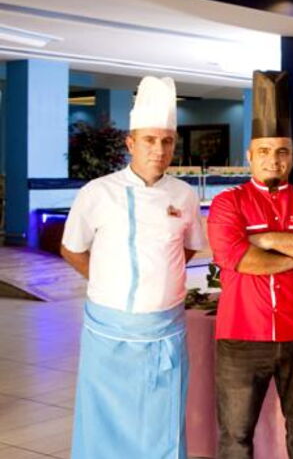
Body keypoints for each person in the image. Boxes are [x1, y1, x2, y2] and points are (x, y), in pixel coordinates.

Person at [60, 76, 207, 459]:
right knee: (103, 421)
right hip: (108, 330)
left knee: (163, 423)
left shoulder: (184, 195)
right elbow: (72, 249)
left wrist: (161, 277)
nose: (159, 150)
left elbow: (189, 247)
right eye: (149, 140)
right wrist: (106, 278)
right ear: (130, 144)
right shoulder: (97, 193)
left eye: (167, 141)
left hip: (164, 330)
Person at [207, 70, 293, 459]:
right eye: (264, 150)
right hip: (241, 336)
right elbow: (239, 259)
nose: (273, 159)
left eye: (282, 151)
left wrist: (264, 239)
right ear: (249, 156)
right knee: (235, 438)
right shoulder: (228, 202)